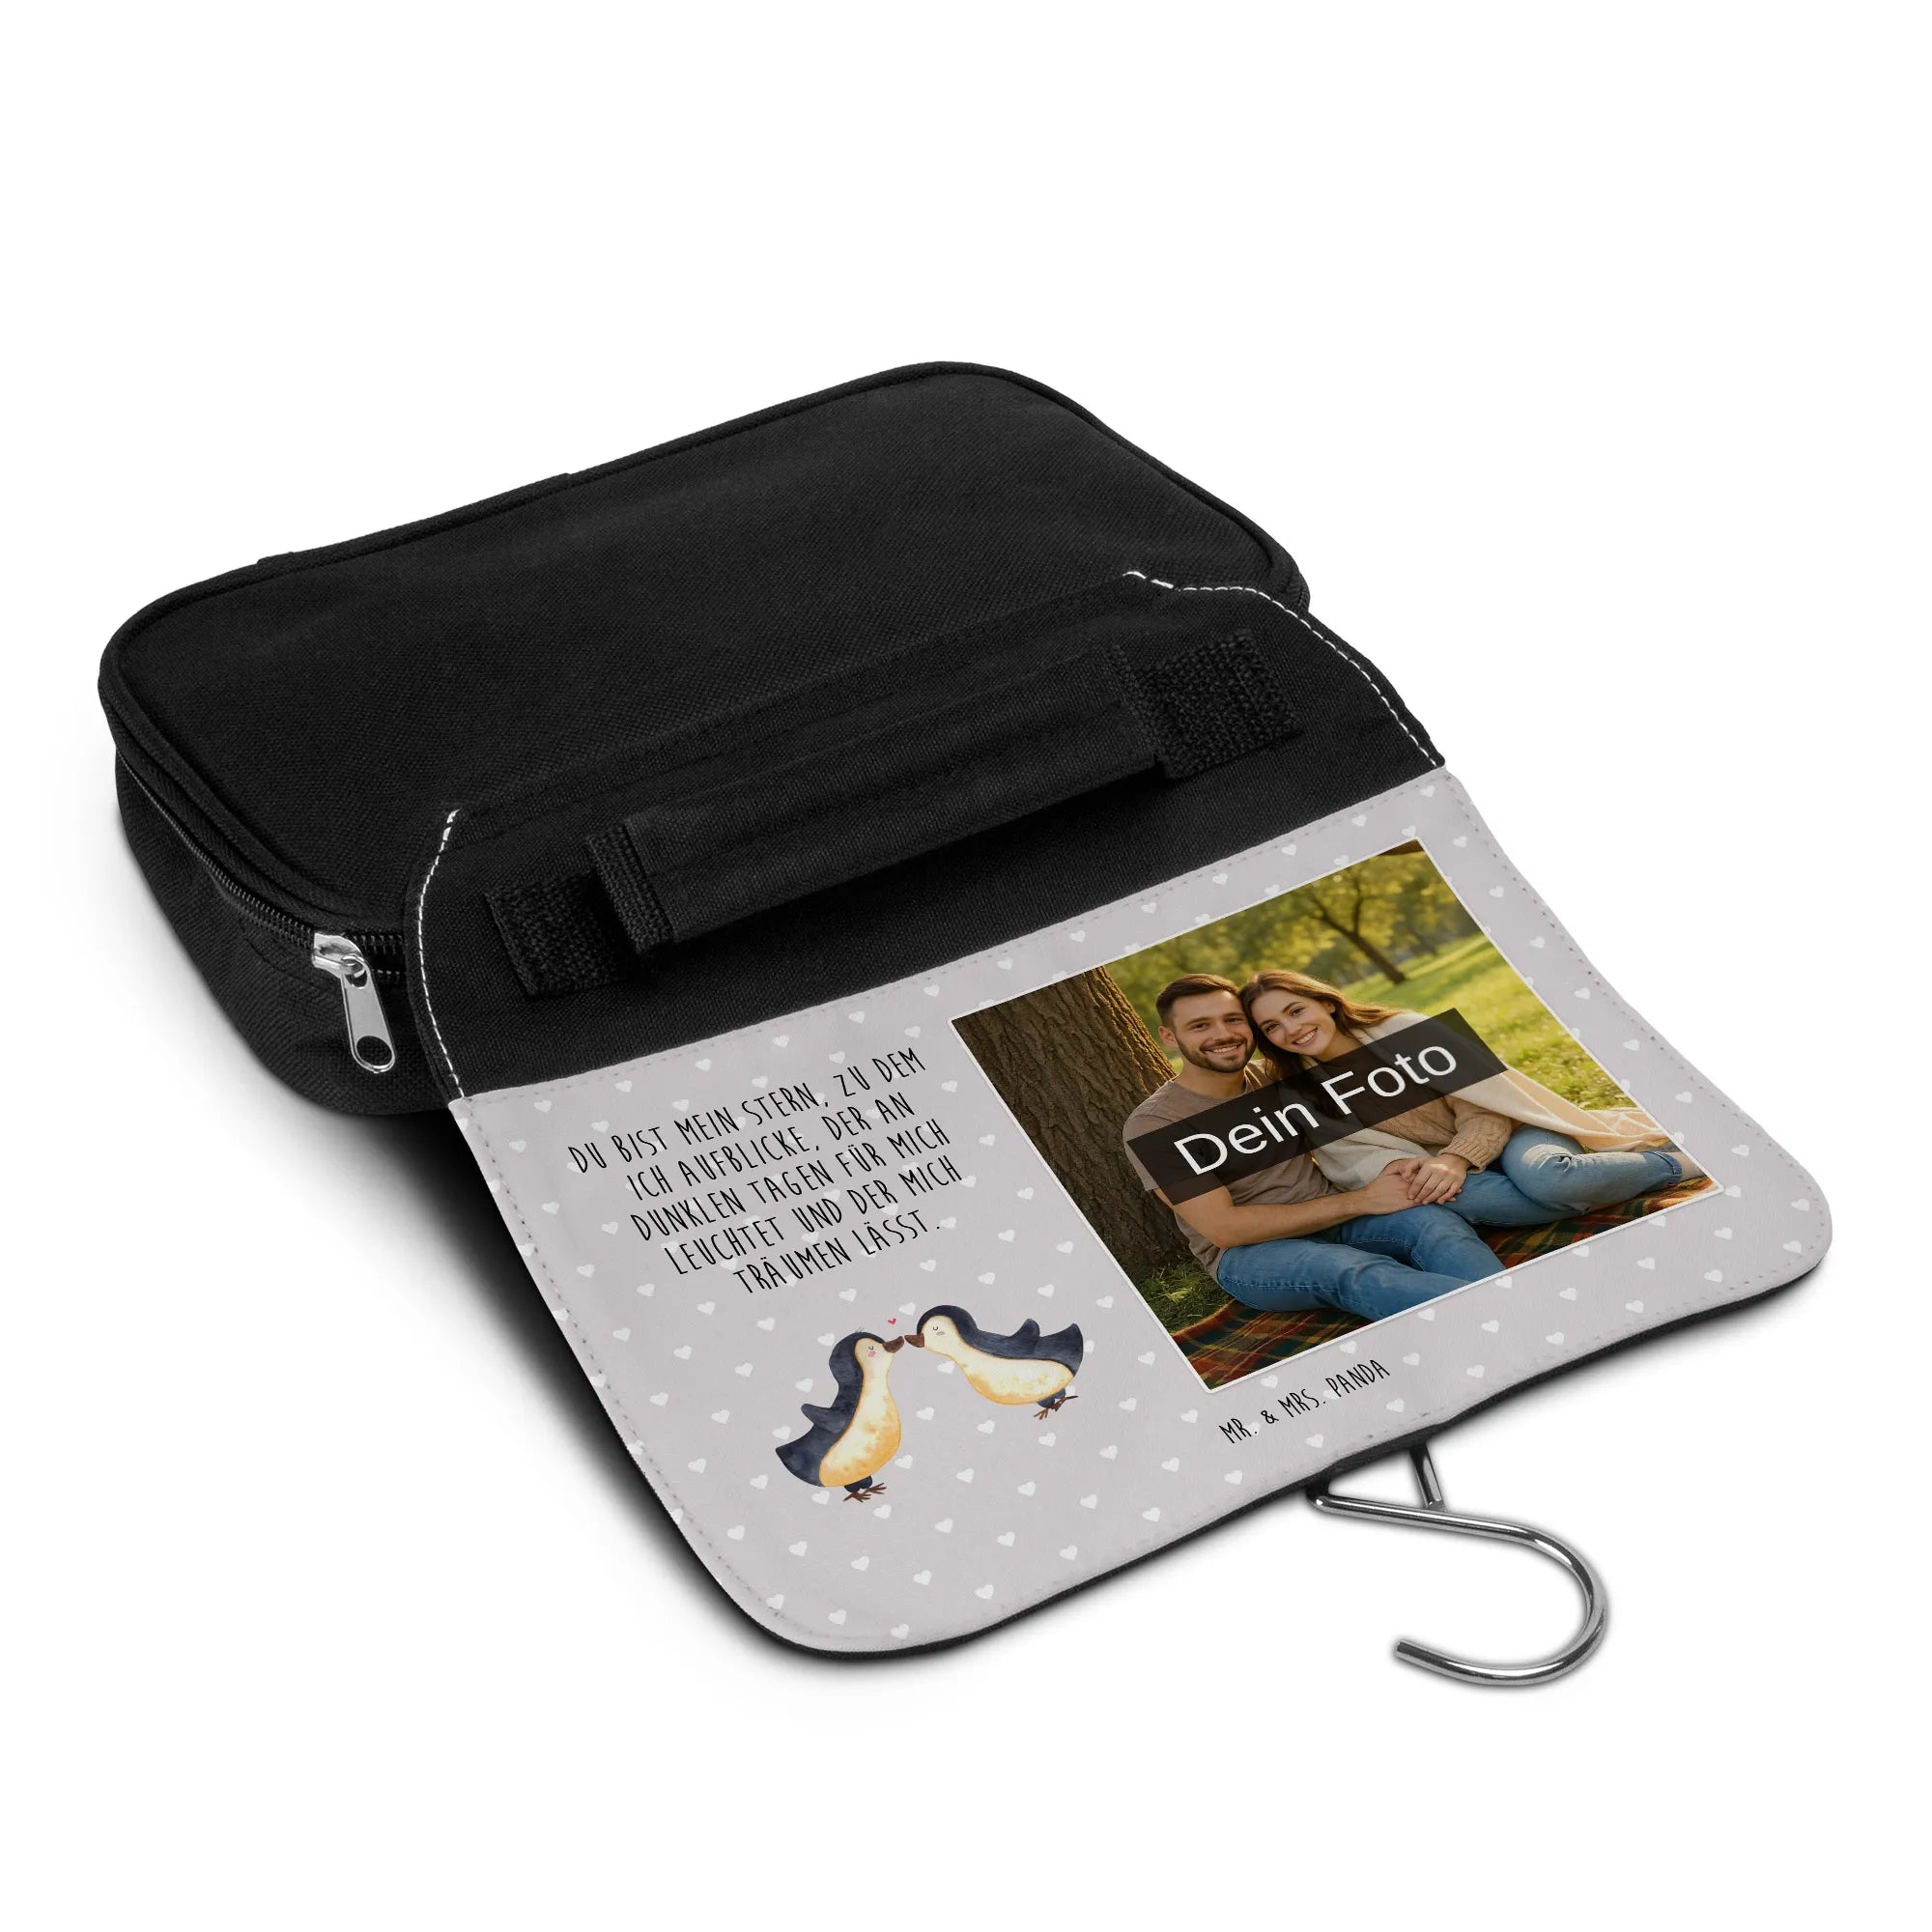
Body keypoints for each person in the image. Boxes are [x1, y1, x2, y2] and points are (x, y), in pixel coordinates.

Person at [1121, 975, 1500, 1321]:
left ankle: (1508, 1302)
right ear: (1169, 1036)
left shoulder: (1277, 1078)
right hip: (1250, 1255)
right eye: (1200, 1025)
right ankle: (1500, 1319)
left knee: (1436, 1226)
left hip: (1336, 1218)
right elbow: (1225, 1229)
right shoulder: (1155, 1125)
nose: (1223, 1034)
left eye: (1233, 1019)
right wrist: (1361, 1201)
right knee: (1351, 1271)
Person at [1237, 969, 1702, 1229]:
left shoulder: (1403, 1030)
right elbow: (1354, 1158)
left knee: (1549, 1181)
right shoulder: (1302, 1091)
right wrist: (1414, 1170)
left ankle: (1676, 1164)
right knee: (1474, 1203)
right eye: (1272, 1027)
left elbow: (1487, 1103)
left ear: (1326, 1002)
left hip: (1514, 1131)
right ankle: (1596, 1186)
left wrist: (1457, 1158)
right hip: (1435, 1169)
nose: (1292, 1029)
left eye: (1296, 1010)